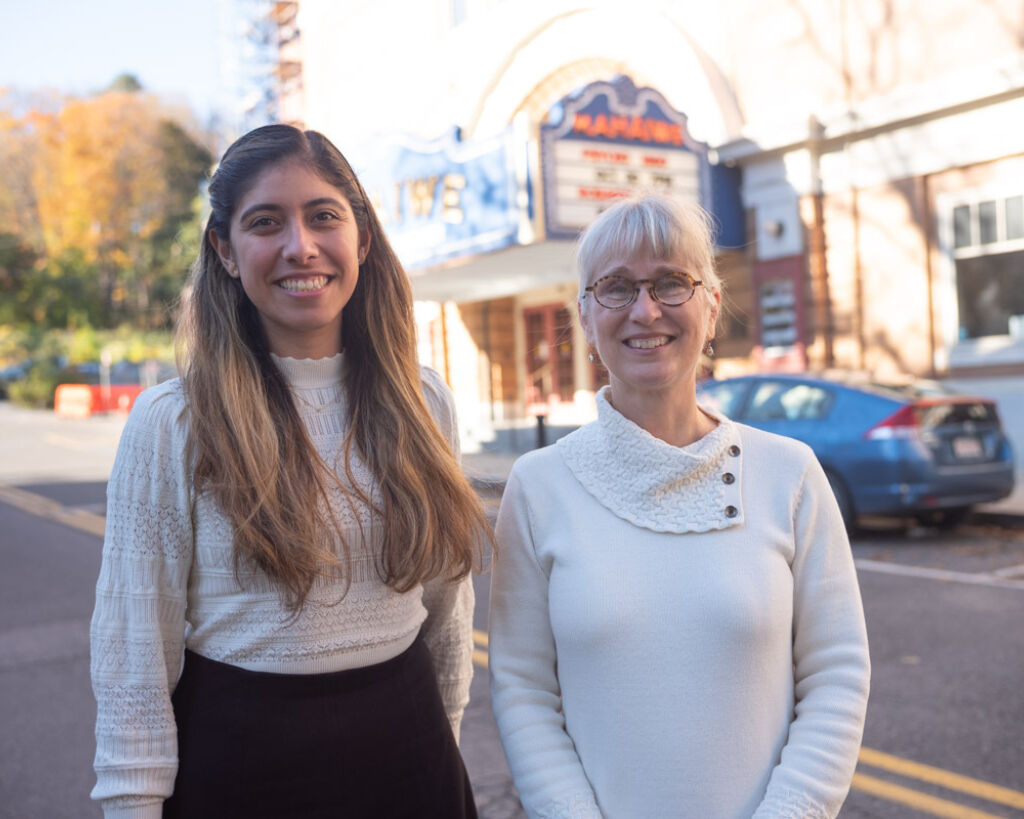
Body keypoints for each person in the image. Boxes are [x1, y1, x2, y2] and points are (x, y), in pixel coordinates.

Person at [89, 124, 491, 818]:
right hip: (242, 768)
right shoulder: (174, 420)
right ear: (224, 249)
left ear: (362, 236)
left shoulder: (425, 402)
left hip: (412, 758)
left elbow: (447, 612)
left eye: (323, 216)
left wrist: (444, 741)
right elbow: (134, 654)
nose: (299, 246)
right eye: (265, 222)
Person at [488, 194, 870, 818]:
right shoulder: (538, 486)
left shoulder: (789, 474)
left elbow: (837, 674)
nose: (645, 310)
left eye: (671, 283)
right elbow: (524, 690)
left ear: (712, 306)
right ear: (584, 315)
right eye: (616, 287)